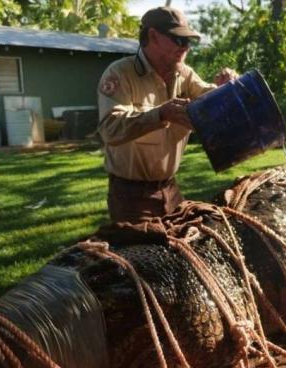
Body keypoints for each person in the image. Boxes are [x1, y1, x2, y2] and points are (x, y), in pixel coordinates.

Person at [97, 6, 237, 224]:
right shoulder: (120, 74)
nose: (186, 47)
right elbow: (110, 129)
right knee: (142, 255)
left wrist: (227, 89)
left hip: (170, 189)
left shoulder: (184, 74)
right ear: (153, 36)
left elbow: (209, 99)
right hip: (131, 196)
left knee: (185, 249)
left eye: (189, 41)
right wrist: (160, 114)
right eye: (179, 40)